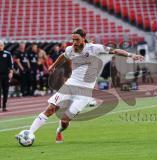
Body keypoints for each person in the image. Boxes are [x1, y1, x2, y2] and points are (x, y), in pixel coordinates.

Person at [16, 28, 144, 143]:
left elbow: (114, 50)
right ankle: (30, 132)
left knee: (65, 120)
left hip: (85, 91)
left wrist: (131, 55)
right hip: (71, 84)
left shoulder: (94, 48)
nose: (74, 42)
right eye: (72, 39)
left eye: (77, 39)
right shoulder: (70, 49)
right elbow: (63, 56)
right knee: (50, 109)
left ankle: (59, 130)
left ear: (83, 38)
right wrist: (53, 65)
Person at [0, 40, 13, 112]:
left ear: (3, 46)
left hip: (6, 75)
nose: (0, 47)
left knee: (6, 91)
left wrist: (11, 72)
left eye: (1, 45)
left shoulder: (7, 54)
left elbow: (11, 64)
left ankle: (4, 106)